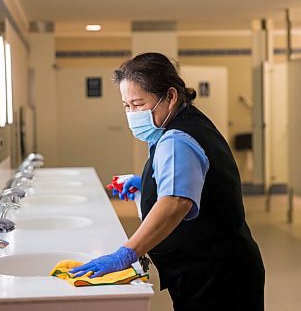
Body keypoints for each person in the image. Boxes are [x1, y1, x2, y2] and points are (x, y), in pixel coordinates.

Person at [70, 52, 265, 310]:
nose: (132, 114)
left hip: (216, 274)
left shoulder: (177, 138)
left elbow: (175, 203)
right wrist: (149, 183)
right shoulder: (188, 122)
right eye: (126, 106)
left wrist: (127, 252)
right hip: (221, 265)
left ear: (171, 96)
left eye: (138, 104)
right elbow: (195, 180)